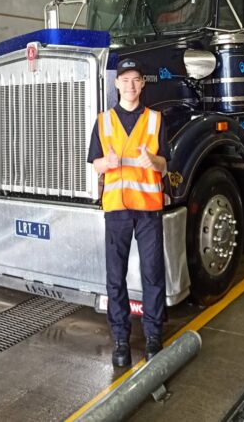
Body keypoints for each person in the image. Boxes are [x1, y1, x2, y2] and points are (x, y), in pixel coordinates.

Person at [87, 58, 169, 367]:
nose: (131, 85)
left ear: (142, 83)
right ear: (117, 83)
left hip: (148, 210)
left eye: (136, 79)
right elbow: (95, 163)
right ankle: (120, 339)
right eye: (125, 79)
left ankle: (152, 336)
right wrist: (104, 164)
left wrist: (154, 162)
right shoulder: (104, 121)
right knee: (115, 278)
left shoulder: (156, 120)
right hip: (116, 210)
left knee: (153, 274)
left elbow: (164, 164)